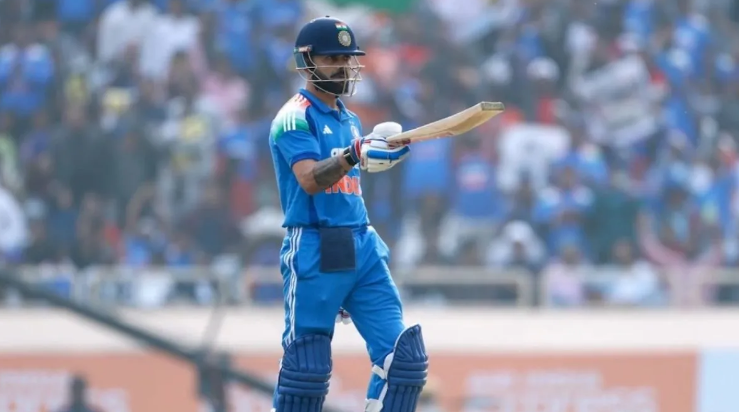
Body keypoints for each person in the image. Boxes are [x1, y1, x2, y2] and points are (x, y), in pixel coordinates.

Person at [268, 16, 429, 412]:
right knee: (307, 371)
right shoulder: (294, 116)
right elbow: (309, 179)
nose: (342, 66)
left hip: (361, 243)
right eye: (332, 58)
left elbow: (349, 185)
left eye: (346, 58)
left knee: (405, 361)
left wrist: (376, 154)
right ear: (307, 62)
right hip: (315, 245)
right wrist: (354, 154)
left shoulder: (351, 119)